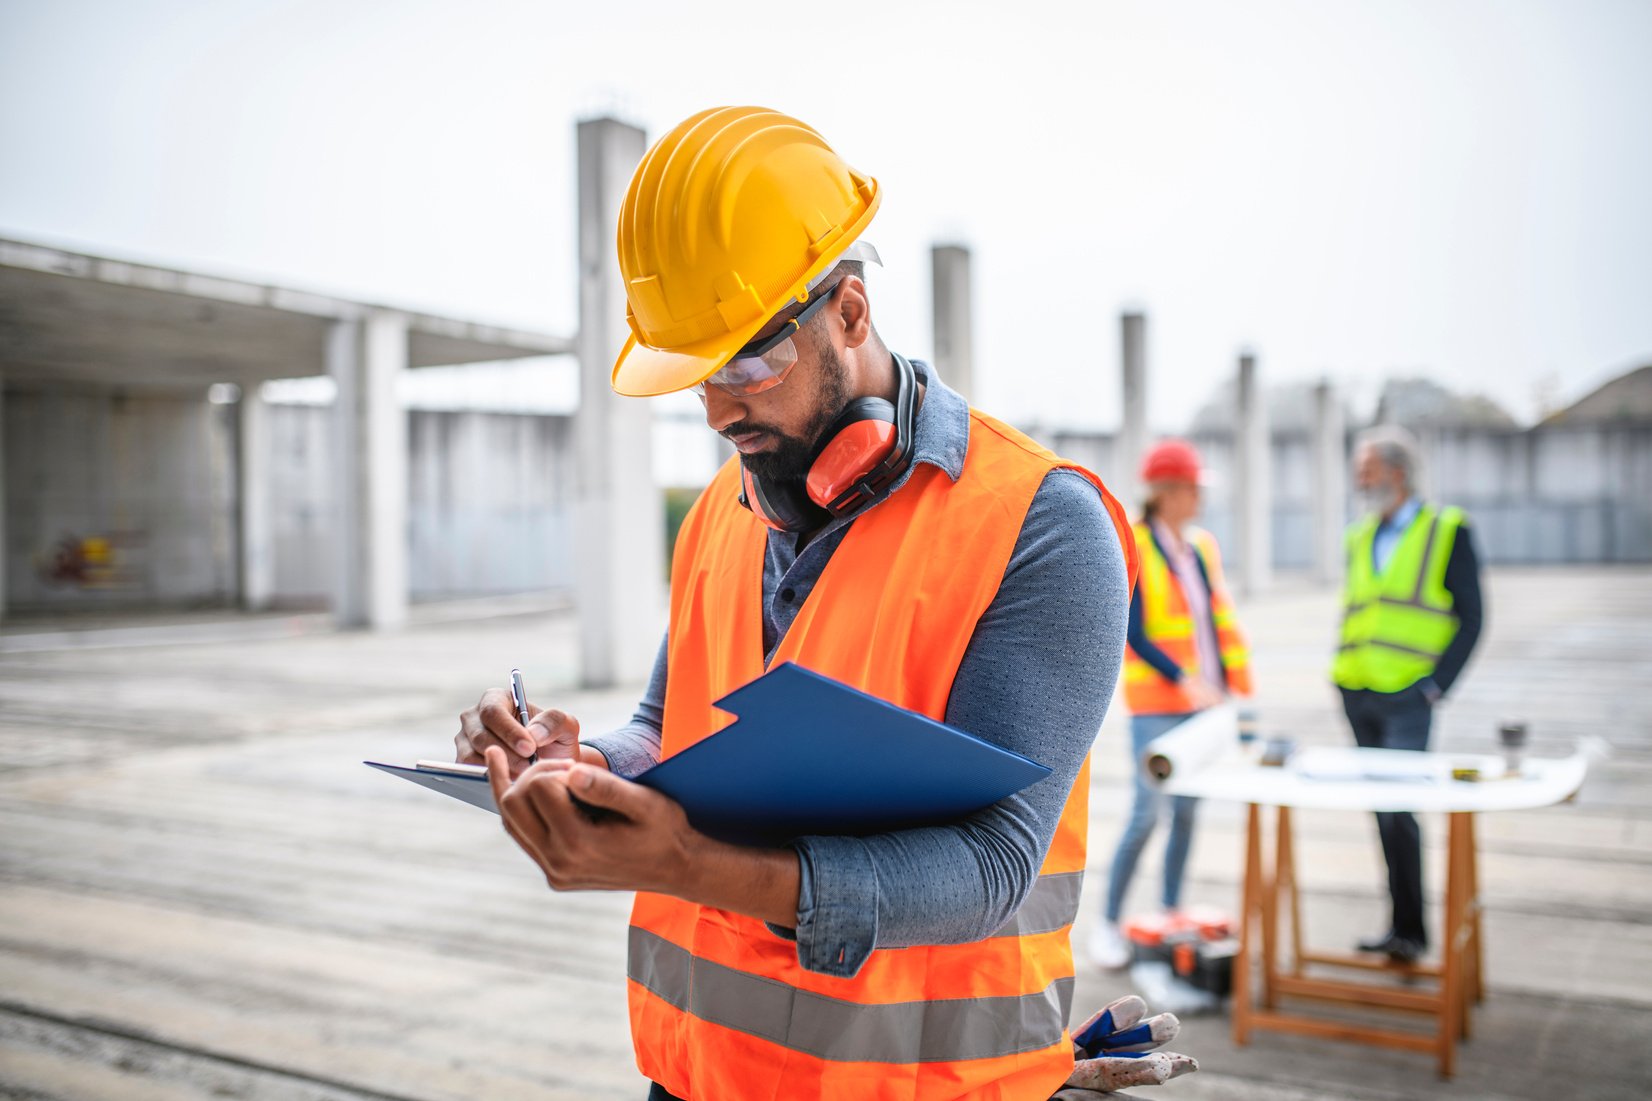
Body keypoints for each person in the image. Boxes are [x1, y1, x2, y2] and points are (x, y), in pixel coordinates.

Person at [449, 107, 1197, 1100]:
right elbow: (662, 730)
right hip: (696, 1075)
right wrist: (581, 763)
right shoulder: (723, 508)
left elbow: (992, 867)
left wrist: (688, 865)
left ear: (848, 311)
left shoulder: (1040, 525)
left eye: (746, 360)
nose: (718, 411)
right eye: (695, 374)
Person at [1088, 440, 1252, 970]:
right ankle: (1108, 923)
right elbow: (1131, 631)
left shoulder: (1200, 546)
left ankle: (1170, 914)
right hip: (1158, 704)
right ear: (1167, 492)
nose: (1199, 497)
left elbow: (1213, 623)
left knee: (1186, 812)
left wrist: (1230, 690)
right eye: (1192, 488)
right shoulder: (1132, 541)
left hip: (1206, 705)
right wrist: (1184, 680)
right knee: (1146, 814)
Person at [1334, 424, 1485, 963]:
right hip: (1359, 691)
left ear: (1397, 472)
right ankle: (1398, 928)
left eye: (1367, 468)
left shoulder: (1447, 529)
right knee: (1382, 811)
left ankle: (1413, 931)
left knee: (1402, 812)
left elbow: (1473, 617)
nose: (1359, 478)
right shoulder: (1359, 535)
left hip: (1408, 696)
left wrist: (1436, 687)